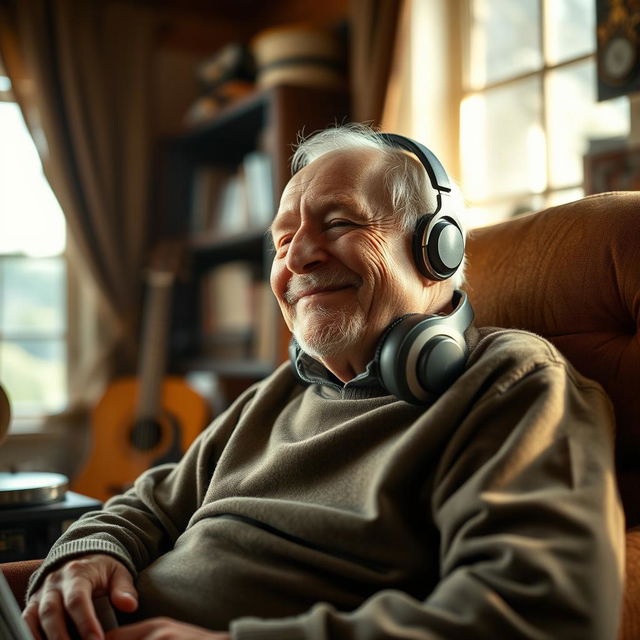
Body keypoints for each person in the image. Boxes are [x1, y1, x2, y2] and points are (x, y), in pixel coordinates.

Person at [23, 124, 624, 640]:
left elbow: (542, 612)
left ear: (435, 248)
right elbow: (148, 502)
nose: (298, 257)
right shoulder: (284, 389)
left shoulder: (509, 382)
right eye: (283, 239)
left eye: (338, 223)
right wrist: (90, 552)